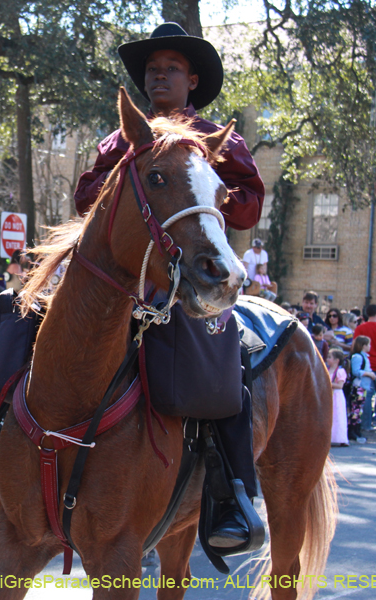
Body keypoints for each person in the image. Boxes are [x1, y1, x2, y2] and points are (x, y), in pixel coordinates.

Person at [71, 22, 266, 552]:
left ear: (192, 79)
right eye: (152, 69)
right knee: (27, 315)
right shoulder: (120, 137)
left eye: (171, 68)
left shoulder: (213, 136)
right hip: (115, 278)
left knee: (220, 361)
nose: (159, 75)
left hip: (182, 280)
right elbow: (85, 199)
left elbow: (249, 202)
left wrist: (211, 191)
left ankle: (231, 495)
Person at [350, 336, 376, 433]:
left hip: (364, 386)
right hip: (358, 386)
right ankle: (352, 429)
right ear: (363, 345)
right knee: (355, 409)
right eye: (368, 344)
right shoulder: (358, 357)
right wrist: (368, 373)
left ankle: (357, 428)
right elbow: (356, 371)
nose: (370, 346)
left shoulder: (365, 357)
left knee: (359, 409)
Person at [325, 348, 348, 447]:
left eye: (330, 357)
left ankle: (340, 438)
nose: (327, 359)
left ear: (336, 360)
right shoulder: (327, 370)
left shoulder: (340, 371)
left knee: (337, 416)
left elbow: (340, 385)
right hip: (328, 395)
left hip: (337, 396)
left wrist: (328, 383)